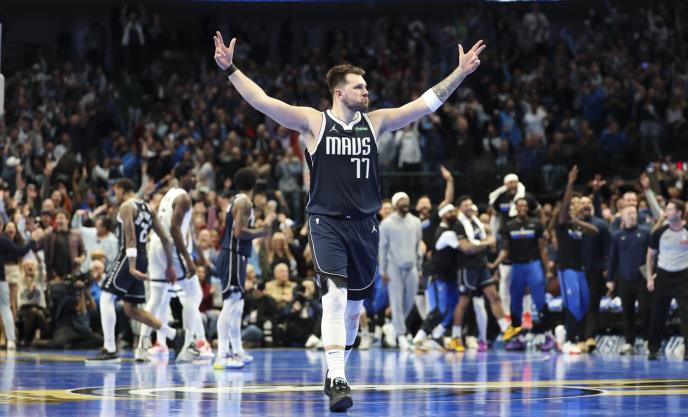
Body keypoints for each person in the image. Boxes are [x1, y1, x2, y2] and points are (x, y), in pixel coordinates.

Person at [213, 30, 485, 411]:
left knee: (355, 309)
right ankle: (339, 378)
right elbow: (263, 101)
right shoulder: (314, 122)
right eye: (359, 87)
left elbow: (425, 104)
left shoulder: (375, 123)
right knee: (335, 297)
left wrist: (459, 73)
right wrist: (231, 70)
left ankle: (335, 369)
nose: (366, 91)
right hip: (326, 222)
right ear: (339, 93)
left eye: (366, 86)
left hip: (365, 225)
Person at [86, 178, 185, 363]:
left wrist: (131, 266)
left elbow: (130, 237)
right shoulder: (148, 208)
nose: (115, 195)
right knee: (131, 310)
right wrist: (170, 266)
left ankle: (110, 349)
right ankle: (174, 334)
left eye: (115, 191)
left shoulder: (127, 206)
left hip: (128, 256)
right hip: (142, 257)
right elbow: (166, 238)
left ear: (121, 189)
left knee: (106, 297)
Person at [136, 163, 211, 362]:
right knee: (194, 294)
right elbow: (175, 230)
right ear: (182, 177)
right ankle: (187, 346)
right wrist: (188, 258)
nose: (195, 179)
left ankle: (142, 346)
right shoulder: (184, 198)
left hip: (156, 245)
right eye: (191, 175)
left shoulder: (169, 194)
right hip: (170, 247)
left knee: (157, 298)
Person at [214, 167, 273, 370]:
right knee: (231, 303)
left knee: (237, 305)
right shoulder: (244, 202)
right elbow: (239, 233)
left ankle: (237, 349)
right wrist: (262, 232)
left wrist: (258, 229)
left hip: (236, 255)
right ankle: (222, 354)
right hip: (233, 255)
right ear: (254, 184)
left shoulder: (239, 200)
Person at [488, 198, 555, 351]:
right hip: (517, 266)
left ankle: (548, 335)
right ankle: (517, 337)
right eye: (520, 205)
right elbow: (505, 249)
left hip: (533, 265)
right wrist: (495, 264)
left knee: (540, 301)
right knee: (515, 303)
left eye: (525, 205)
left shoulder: (536, 224)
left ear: (528, 208)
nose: (522, 207)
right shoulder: (509, 226)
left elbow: (542, 248)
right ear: (516, 208)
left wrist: (547, 269)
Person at [555, 166, 599, 354]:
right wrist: (570, 183)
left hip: (580, 268)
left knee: (584, 303)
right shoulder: (561, 223)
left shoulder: (578, 225)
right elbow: (564, 209)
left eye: (576, 204)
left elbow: (595, 231)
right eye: (571, 204)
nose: (573, 206)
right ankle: (570, 340)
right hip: (566, 268)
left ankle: (566, 332)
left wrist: (577, 221)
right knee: (572, 303)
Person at [379, 191, 422, 350]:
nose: (404, 203)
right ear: (395, 204)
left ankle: (393, 327)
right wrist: (383, 270)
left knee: (409, 301)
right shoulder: (386, 224)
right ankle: (401, 335)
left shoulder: (416, 222)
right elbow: (382, 248)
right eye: (401, 201)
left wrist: (419, 268)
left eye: (406, 200)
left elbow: (418, 246)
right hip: (393, 266)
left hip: (412, 266)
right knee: (396, 301)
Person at [413, 204, 459, 350]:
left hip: (448, 275)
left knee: (452, 306)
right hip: (436, 274)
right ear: (443, 215)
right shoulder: (445, 233)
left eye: (454, 211)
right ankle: (419, 338)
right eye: (450, 212)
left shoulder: (451, 230)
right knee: (439, 308)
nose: (454, 214)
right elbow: (464, 247)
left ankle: (437, 335)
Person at [646, 199, 688, 360]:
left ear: (679, 213)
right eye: (667, 209)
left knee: (686, 313)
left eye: (670, 209)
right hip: (663, 276)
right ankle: (653, 348)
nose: (666, 212)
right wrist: (650, 277)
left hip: (684, 276)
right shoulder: (659, 232)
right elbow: (650, 256)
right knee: (658, 314)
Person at [607, 205, 651, 355]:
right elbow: (613, 258)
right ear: (622, 216)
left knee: (646, 309)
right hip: (624, 278)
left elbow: (652, 255)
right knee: (627, 311)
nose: (632, 216)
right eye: (629, 213)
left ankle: (648, 340)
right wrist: (610, 280)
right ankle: (629, 342)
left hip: (642, 278)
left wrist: (651, 275)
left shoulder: (645, 233)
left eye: (634, 213)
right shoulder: (617, 236)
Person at [0, 218, 42, 350]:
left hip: (2, 279)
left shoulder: (4, 240)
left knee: (6, 307)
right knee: (5, 308)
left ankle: (10, 339)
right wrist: (32, 241)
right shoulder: (3, 240)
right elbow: (20, 252)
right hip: (1, 280)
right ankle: (11, 340)